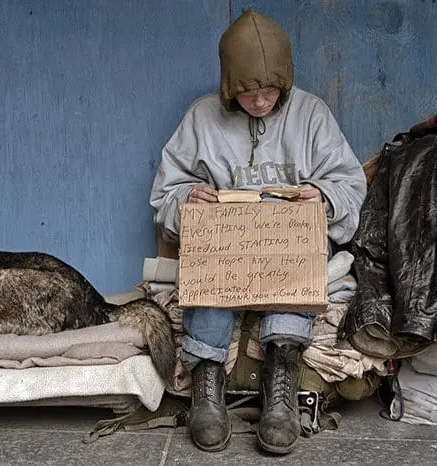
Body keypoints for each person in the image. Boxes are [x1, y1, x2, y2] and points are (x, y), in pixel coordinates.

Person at [149, 9, 367, 455]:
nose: (261, 102)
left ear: (285, 82)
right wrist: (188, 200)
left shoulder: (311, 115)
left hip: (285, 249)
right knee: (207, 271)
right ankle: (206, 384)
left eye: (270, 91)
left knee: (298, 261)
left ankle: (280, 383)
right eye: (248, 93)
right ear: (230, 87)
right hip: (226, 251)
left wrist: (322, 199)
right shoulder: (202, 117)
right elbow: (165, 193)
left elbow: (350, 184)